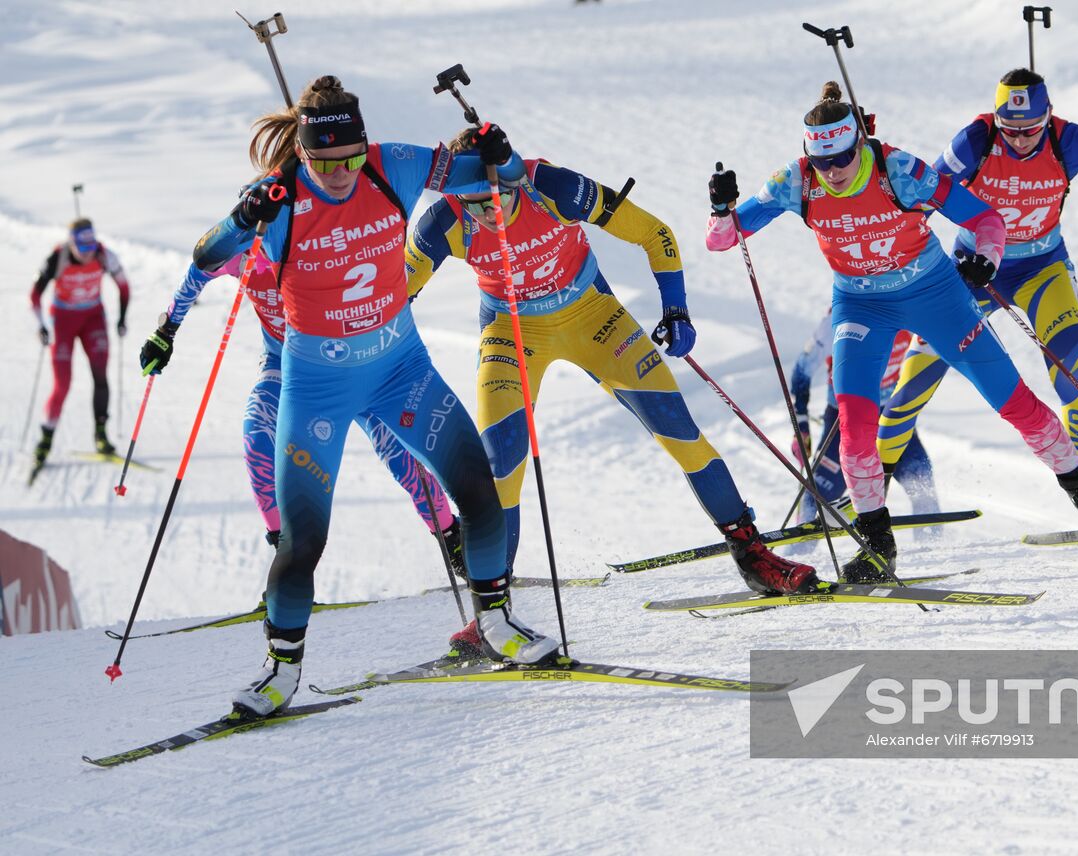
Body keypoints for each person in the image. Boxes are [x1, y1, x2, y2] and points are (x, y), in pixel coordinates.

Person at [190, 75, 557, 718]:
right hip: (317, 388)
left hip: (400, 369)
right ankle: (279, 672)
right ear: (303, 155)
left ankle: (497, 623)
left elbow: (494, 172)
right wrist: (242, 216)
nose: (342, 174)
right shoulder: (281, 201)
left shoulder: (395, 164)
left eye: (353, 158)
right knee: (304, 541)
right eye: (327, 163)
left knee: (479, 487)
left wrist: (500, 155)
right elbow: (205, 254)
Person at [706, 81, 1078, 583]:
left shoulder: (899, 169)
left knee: (1014, 402)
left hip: (935, 294)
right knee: (856, 428)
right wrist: (722, 210)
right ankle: (877, 542)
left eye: (841, 158)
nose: (833, 172)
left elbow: (985, 219)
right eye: (822, 162)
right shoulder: (794, 182)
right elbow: (722, 240)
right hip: (860, 304)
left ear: (859, 144)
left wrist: (985, 262)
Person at [405, 127, 819, 611]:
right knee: (502, 468)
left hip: (593, 318)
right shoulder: (443, 221)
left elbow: (654, 234)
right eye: (473, 205)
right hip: (513, 333)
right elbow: (389, 301)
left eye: (495, 198)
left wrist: (676, 309)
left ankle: (753, 555)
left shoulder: (550, 187)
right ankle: (493, 612)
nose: (488, 214)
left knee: (680, 432)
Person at [876, 68, 1078, 484]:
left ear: (1048, 116)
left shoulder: (1071, 141)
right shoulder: (974, 141)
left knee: (1070, 371)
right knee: (917, 375)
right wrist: (873, 166)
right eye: (1009, 129)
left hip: (1042, 269)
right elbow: (922, 197)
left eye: (1030, 129)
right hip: (975, 271)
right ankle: (870, 495)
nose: (1020, 139)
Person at [139, 250, 467, 571]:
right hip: (283, 367)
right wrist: (165, 332)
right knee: (257, 440)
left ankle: (453, 539)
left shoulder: (309, 241)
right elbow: (197, 271)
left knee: (399, 454)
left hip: (346, 365)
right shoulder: (238, 250)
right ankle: (288, 562)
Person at [790, 308, 937, 526]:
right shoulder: (838, 317)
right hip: (845, 418)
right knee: (815, 498)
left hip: (890, 415)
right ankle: (796, 555)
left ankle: (932, 548)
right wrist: (800, 425)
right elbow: (802, 371)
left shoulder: (908, 306)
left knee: (922, 482)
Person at [28, 218, 130, 480]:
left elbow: (124, 287)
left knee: (100, 375)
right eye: (81, 250)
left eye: (90, 248)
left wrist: (121, 318)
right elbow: (35, 295)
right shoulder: (57, 257)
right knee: (62, 384)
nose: (87, 255)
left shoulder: (104, 254)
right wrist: (41, 325)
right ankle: (45, 441)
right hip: (63, 321)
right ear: (72, 244)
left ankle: (101, 434)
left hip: (93, 319)